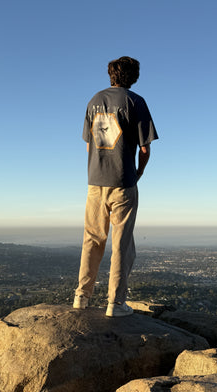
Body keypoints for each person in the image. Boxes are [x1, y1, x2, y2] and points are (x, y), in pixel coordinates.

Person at [73, 56, 158, 317]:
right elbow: (145, 147)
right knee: (121, 243)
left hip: (95, 182)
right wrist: (139, 171)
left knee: (92, 239)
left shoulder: (93, 100)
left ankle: (81, 296)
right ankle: (116, 303)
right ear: (133, 77)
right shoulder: (136, 102)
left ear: (110, 74)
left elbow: (89, 144)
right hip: (123, 182)